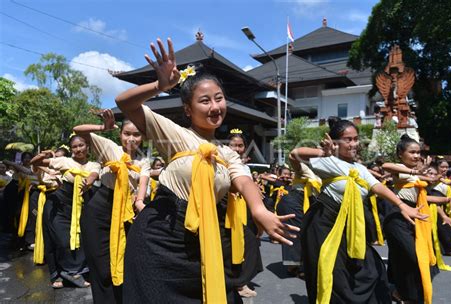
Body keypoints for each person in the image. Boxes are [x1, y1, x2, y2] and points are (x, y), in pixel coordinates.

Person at [115, 37, 298, 303]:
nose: (214, 107)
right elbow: (125, 103)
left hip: (205, 243)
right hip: (159, 241)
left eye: (219, 98)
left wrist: (259, 210)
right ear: (188, 109)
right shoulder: (173, 135)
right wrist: (159, 85)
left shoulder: (226, 153)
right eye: (204, 101)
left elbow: (244, 180)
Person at [295, 120, 427, 304]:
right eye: (347, 139)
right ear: (335, 142)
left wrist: (402, 205)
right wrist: (322, 152)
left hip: (350, 227)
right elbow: (295, 154)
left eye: (356, 139)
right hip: (324, 225)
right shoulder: (326, 161)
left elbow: (377, 187)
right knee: (332, 275)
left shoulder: (360, 168)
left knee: (371, 269)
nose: (353, 144)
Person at [73, 109, 150, 303]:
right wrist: (103, 127)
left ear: (143, 136)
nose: (131, 138)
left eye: (136, 134)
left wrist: (140, 202)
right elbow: (77, 130)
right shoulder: (109, 147)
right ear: (120, 134)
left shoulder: (144, 161)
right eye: (127, 133)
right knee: (101, 267)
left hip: (125, 214)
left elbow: (142, 183)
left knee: (122, 263)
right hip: (99, 211)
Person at [381, 135, 451, 303]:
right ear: (400, 153)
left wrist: (448, 199)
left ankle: (399, 291)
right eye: (412, 152)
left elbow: (426, 195)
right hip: (397, 216)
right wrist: (417, 171)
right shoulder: (399, 168)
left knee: (400, 256)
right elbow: (385, 165)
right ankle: (404, 293)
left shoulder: (416, 175)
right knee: (413, 256)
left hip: (413, 216)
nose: (416, 156)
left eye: (418, 152)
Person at [30, 135, 101, 289]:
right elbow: (34, 163)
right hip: (57, 206)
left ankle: (74, 271)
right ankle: (63, 273)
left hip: (78, 207)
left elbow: (93, 175)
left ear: (87, 146)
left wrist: (87, 183)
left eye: (81, 145)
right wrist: (42, 156)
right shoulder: (65, 161)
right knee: (60, 240)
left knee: (80, 239)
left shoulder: (94, 164)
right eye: (75, 147)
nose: (78, 149)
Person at [226, 129, 262, 298]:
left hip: (245, 209)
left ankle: (241, 281)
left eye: (241, 146)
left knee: (249, 243)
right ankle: (239, 283)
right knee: (239, 244)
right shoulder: (223, 164)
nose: (238, 149)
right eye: (234, 145)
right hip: (230, 209)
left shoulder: (245, 167)